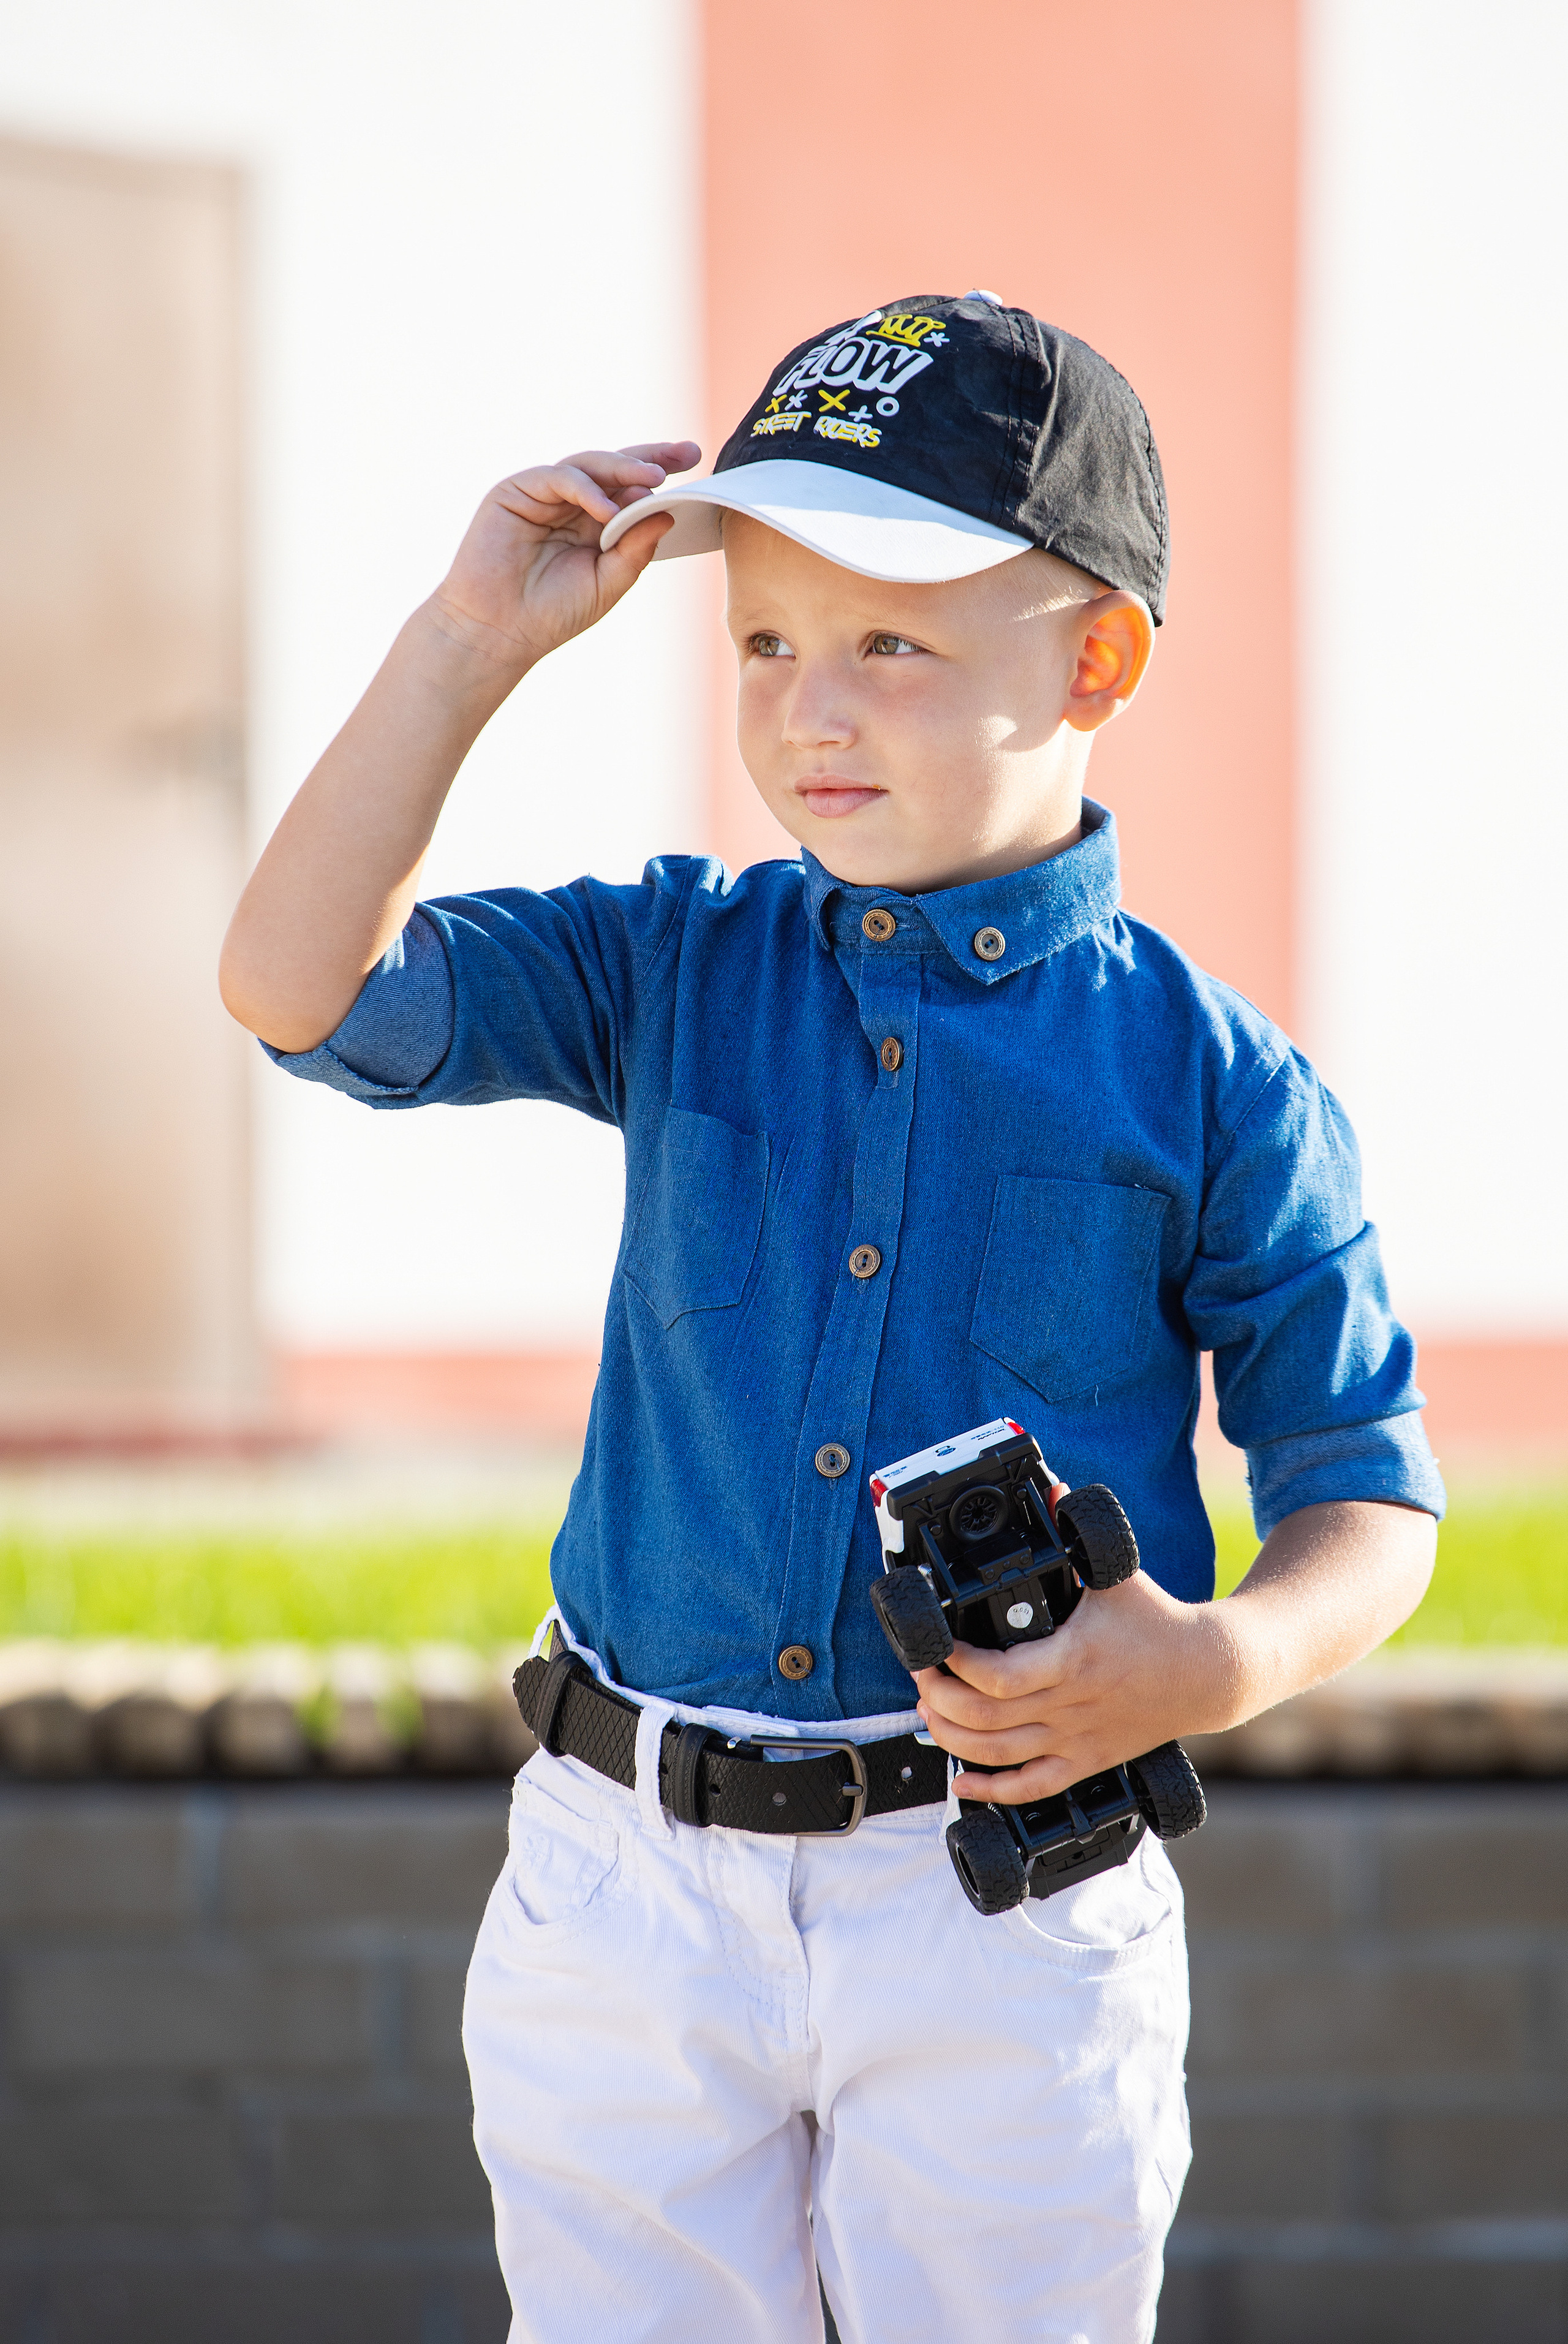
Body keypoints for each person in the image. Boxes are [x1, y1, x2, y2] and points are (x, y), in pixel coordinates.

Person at [221, 293, 1443, 2343]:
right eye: (767, 641)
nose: (811, 708)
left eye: (890, 639)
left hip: (1003, 1913)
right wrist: (465, 648)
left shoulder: (1219, 1081)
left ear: (1096, 657)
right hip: (629, 1895)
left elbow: (1367, 1490)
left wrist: (1211, 1660)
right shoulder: (675, 959)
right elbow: (293, 985)